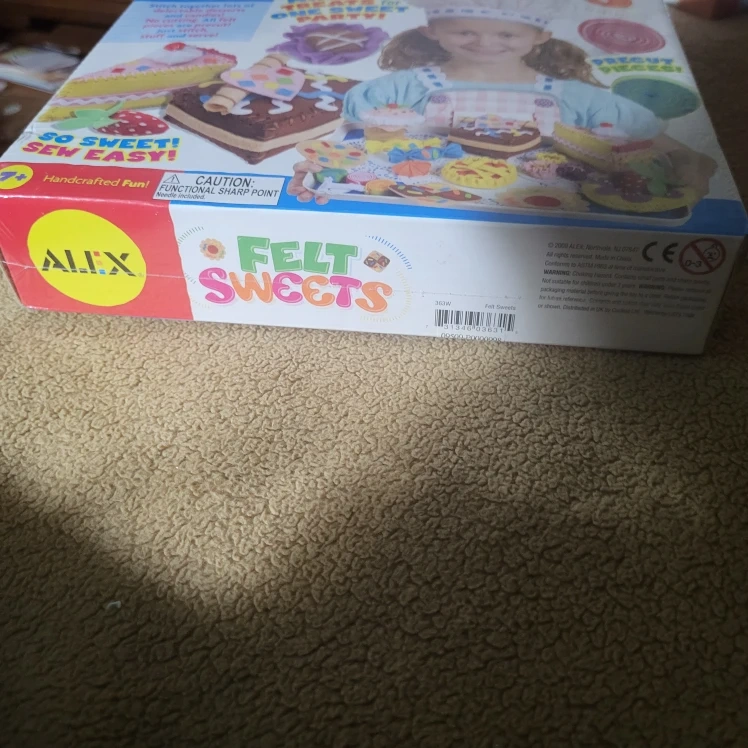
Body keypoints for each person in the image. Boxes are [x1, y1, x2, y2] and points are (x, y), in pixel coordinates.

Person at [288, 0, 715, 204]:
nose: (485, 43)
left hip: (548, 197)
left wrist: (689, 162)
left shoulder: (573, 96)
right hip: (424, 185)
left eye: (506, 34)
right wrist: (324, 166)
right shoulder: (400, 88)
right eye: (465, 31)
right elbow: (352, 132)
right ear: (433, 30)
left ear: (540, 36)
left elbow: (650, 137)